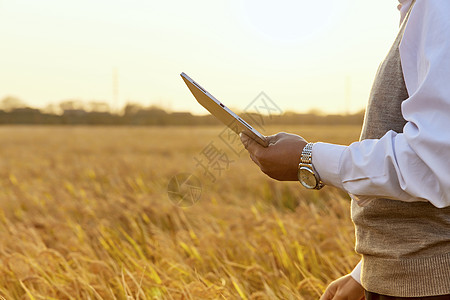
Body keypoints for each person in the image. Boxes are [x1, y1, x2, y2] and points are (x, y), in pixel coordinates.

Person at [239, 0, 450, 299]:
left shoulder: (439, 7)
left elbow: (435, 160)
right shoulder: (421, 10)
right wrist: (368, 271)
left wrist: (309, 158)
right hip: (408, 280)